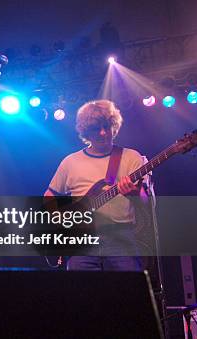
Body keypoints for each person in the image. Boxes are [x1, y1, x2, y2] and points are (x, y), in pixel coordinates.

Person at [44, 100, 149, 271]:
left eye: (107, 127)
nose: (103, 133)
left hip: (121, 239)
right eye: (95, 129)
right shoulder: (70, 162)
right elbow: (49, 196)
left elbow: (145, 203)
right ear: (86, 132)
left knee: (128, 294)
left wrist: (135, 194)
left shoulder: (131, 157)